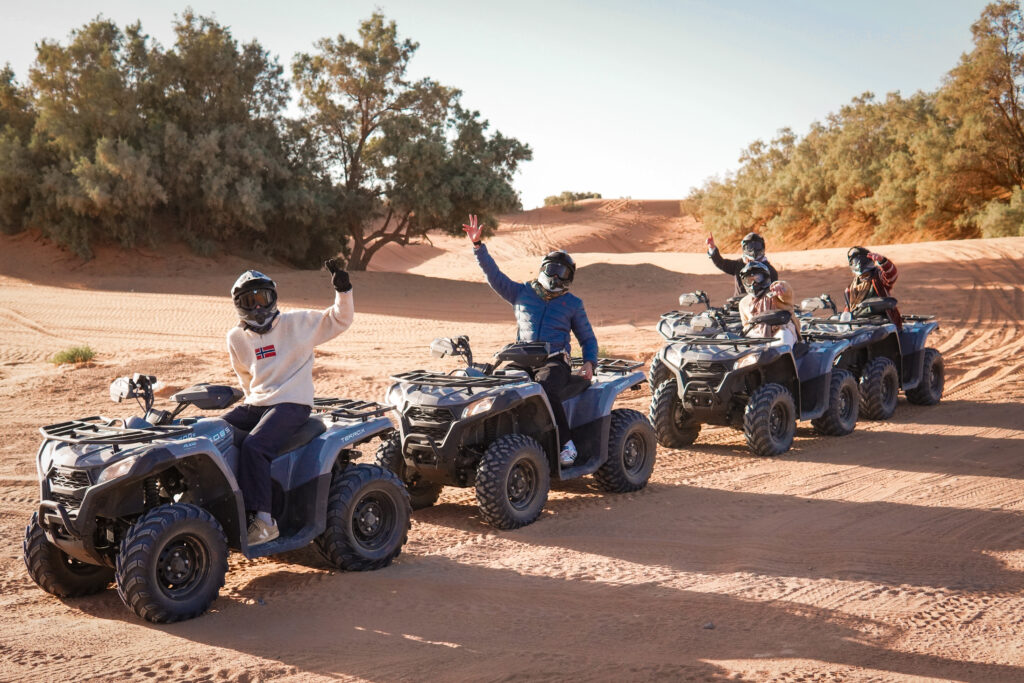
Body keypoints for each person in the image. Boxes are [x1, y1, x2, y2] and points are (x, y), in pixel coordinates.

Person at [222, 261, 354, 545]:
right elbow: (244, 376)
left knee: (255, 446)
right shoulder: (235, 337)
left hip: (292, 402)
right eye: (250, 301)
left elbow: (339, 320)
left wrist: (343, 290)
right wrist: (253, 403)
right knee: (213, 433)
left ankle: (264, 521)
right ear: (239, 305)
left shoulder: (298, 323)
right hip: (256, 403)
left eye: (263, 298)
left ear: (273, 298)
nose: (258, 307)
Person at [463, 214, 597, 466]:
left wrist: (590, 362)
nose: (556, 277)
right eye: (552, 270)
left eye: (563, 273)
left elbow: (587, 338)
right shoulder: (521, 292)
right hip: (521, 360)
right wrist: (478, 246)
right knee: (500, 386)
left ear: (569, 278)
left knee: (544, 388)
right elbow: (494, 275)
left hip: (554, 361)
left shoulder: (573, 304)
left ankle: (565, 444)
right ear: (543, 269)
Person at [737, 260, 799, 345]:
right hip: (758, 333)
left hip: (781, 329)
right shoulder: (743, 302)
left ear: (765, 277)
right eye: (750, 280)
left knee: (782, 344)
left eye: (758, 278)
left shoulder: (775, 293)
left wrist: (780, 286)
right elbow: (746, 325)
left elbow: (786, 291)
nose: (754, 283)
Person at [706, 232, 779, 297]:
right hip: (739, 304)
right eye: (750, 246)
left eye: (757, 246)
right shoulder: (739, 264)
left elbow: (774, 292)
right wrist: (712, 248)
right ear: (744, 247)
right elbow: (720, 263)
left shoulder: (770, 270)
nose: (753, 249)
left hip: (761, 305)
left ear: (762, 247)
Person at [844, 247, 901, 329]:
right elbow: (848, 308)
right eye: (856, 261)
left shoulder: (878, 278)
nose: (859, 263)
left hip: (882, 323)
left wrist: (882, 260)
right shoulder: (850, 289)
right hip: (858, 324)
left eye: (863, 260)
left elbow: (891, 275)